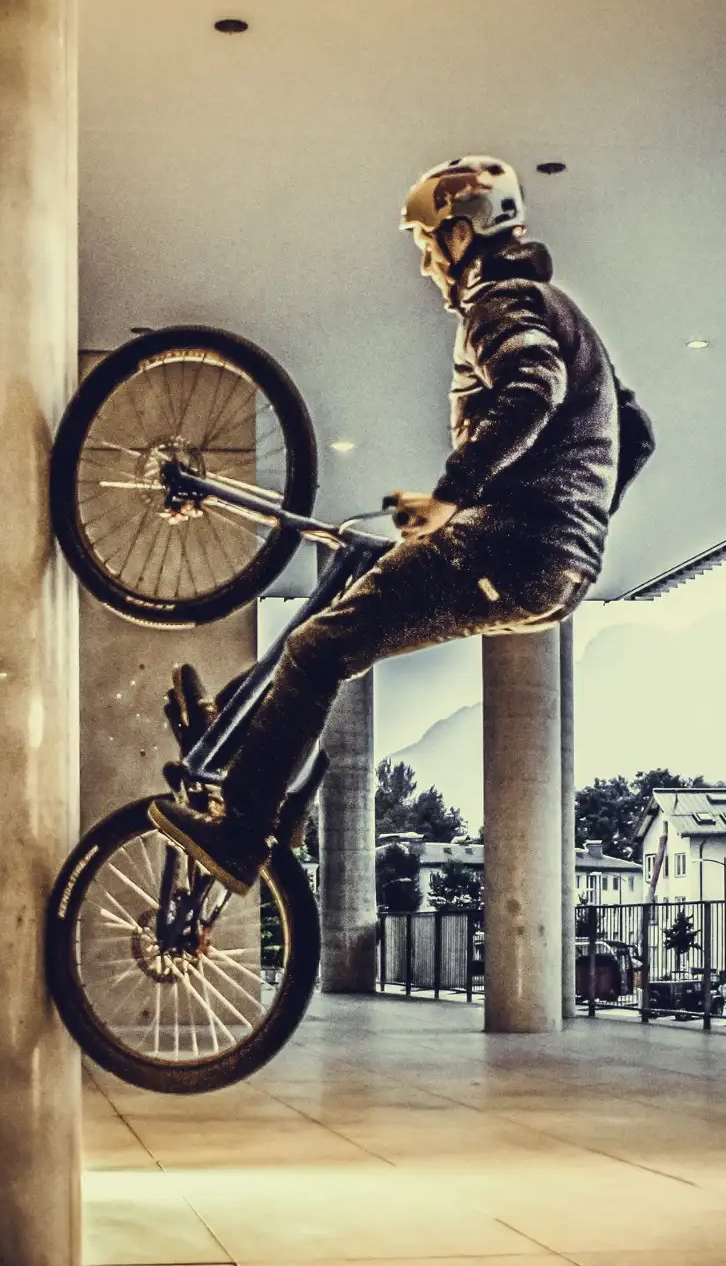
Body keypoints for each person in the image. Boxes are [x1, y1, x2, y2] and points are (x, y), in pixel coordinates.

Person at [148, 155, 653, 893]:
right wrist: (578, 527)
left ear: (459, 234)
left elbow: (531, 389)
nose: (422, 266)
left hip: (503, 543)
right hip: (546, 561)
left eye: (424, 244)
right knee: (340, 620)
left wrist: (454, 496)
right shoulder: (559, 309)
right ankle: (263, 768)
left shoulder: (499, 300)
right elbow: (634, 433)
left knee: (320, 648)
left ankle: (241, 831)